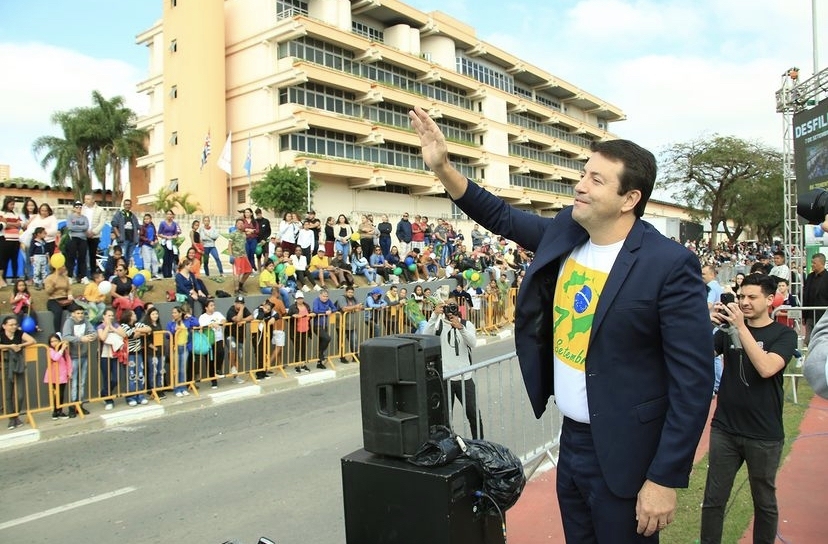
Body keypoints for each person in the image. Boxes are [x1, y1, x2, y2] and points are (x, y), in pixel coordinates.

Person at [409, 105, 713, 541]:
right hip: (571, 444)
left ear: (630, 199)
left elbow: (693, 382)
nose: (580, 185)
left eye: (596, 180)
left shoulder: (668, 264)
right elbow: (499, 215)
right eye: (584, 174)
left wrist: (664, 478)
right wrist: (443, 167)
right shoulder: (567, 232)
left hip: (627, 454)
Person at [700, 274, 797, 543]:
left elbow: (767, 368)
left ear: (769, 299)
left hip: (764, 433)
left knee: (764, 502)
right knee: (713, 499)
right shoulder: (727, 331)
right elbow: (698, 356)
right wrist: (704, 325)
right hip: (725, 428)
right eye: (741, 296)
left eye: (752, 297)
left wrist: (740, 328)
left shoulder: (784, 334)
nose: (744, 302)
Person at [424, 300, 482, 439]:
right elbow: (425, 337)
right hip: (445, 378)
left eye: (453, 306)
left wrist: (460, 328)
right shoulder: (438, 325)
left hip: (464, 377)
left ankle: (480, 443)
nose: (450, 309)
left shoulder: (467, 324)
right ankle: (447, 444)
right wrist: (434, 315)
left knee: (473, 414)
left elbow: (473, 343)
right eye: (447, 306)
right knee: (444, 418)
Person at [0, 316, 35, 428]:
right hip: (5, 364)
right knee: (8, 393)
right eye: (11, 325)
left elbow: (32, 340)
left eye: (15, 324)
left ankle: (16, 415)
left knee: (20, 394)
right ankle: (12, 419)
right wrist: (10, 346)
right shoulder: (1, 334)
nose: (14, 326)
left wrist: (20, 345)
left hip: (18, 363)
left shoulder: (19, 333)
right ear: (4, 326)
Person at [62, 304, 96, 416]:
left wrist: (92, 336)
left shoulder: (85, 321)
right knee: (74, 383)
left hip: (84, 355)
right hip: (73, 356)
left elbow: (93, 331)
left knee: (82, 382)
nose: (80, 315)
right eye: (78, 313)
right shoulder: (69, 322)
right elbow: (66, 336)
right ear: (73, 314)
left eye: (82, 313)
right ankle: (72, 406)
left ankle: (80, 405)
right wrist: (81, 338)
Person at [198, 299, 226, 389]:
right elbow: (202, 326)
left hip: (218, 338)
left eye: (213, 305)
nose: (213, 307)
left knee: (221, 352)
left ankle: (218, 369)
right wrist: (211, 325)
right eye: (211, 305)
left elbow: (224, 320)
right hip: (208, 340)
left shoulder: (217, 314)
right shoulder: (203, 317)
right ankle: (213, 380)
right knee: (210, 360)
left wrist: (220, 323)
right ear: (206, 307)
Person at [45, 334, 72, 420]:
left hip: (62, 374)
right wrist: (62, 349)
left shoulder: (65, 351)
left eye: (56, 341)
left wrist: (69, 372)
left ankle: (59, 411)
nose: (54, 343)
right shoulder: (50, 350)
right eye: (52, 341)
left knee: (61, 393)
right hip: (54, 375)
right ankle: (56, 411)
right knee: (56, 394)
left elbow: (68, 361)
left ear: (59, 341)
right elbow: (55, 358)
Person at [802, 252, 828, 342]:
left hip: (823, 316)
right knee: (808, 340)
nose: (812, 265)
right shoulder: (809, 277)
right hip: (809, 315)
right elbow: (805, 296)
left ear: (822, 263)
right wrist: (804, 315)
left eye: (814, 263)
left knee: (821, 340)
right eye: (812, 262)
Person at [45, 261, 75, 335]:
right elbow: (48, 292)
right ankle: (58, 333)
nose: (65, 268)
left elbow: (69, 289)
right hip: (53, 299)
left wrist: (70, 295)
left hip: (65, 299)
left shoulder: (65, 277)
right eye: (63, 266)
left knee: (76, 308)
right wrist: (53, 284)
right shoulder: (49, 278)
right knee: (58, 311)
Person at [311, 288, 338, 369]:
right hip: (317, 325)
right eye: (324, 296)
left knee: (322, 341)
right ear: (320, 295)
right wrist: (325, 312)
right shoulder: (316, 301)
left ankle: (319, 362)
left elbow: (334, 308)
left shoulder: (328, 301)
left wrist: (331, 311)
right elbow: (315, 311)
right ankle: (320, 354)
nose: (325, 298)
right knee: (327, 338)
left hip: (325, 325)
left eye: (326, 296)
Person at [287, 291, 312, 372]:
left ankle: (303, 364)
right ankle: (297, 365)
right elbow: (288, 317)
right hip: (296, 330)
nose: (300, 300)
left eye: (301, 298)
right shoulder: (292, 307)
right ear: (296, 299)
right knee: (297, 348)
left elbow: (309, 314)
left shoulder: (306, 306)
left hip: (306, 329)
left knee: (304, 347)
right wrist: (293, 316)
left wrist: (312, 315)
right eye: (298, 298)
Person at [82, 193, 106, 280]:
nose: (86, 201)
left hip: (94, 236)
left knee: (92, 255)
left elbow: (102, 223)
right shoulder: (81, 209)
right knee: (83, 255)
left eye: (88, 199)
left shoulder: (100, 210)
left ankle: (92, 274)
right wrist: (84, 231)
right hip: (83, 235)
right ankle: (82, 275)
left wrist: (93, 232)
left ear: (93, 200)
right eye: (85, 199)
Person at [110, 199, 140, 267]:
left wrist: (137, 237)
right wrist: (118, 235)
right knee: (122, 256)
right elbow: (114, 224)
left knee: (129, 257)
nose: (127, 206)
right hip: (123, 240)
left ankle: (126, 270)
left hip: (132, 240)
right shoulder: (119, 214)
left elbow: (138, 226)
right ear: (123, 205)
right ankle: (120, 269)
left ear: (131, 205)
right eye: (126, 204)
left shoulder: (132, 215)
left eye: (129, 205)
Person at [227, 218, 253, 295]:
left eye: (242, 223)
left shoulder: (244, 234)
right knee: (237, 273)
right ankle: (236, 290)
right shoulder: (233, 234)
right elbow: (229, 245)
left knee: (249, 271)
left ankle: (241, 285)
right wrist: (231, 255)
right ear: (236, 225)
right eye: (239, 223)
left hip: (244, 256)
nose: (240, 225)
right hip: (236, 256)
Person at [65, 201, 90, 284]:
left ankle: (83, 276)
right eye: (77, 207)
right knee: (71, 258)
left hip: (83, 239)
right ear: (74, 208)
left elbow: (86, 227)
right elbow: (69, 227)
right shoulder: (70, 217)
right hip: (73, 238)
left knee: (82, 258)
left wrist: (76, 227)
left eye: (80, 207)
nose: (78, 208)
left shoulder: (84, 218)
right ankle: (70, 276)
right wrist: (80, 228)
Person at [0, 197, 21, 288]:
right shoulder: (1, 213)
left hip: (16, 240)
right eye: (11, 204)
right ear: (6, 204)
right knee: (4, 260)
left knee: (14, 259)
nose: (12, 206)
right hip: (6, 239)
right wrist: (13, 224)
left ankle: (15, 277)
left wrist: (9, 223)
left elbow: (19, 224)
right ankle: (3, 278)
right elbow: (4, 225)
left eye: (13, 204)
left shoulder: (16, 214)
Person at [157, 210, 182, 278]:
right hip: (165, 242)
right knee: (165, 258)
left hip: (172, 243)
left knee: (171, 259)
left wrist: (174, 236)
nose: (169, 216)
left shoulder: (175, 224)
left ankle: (169, 274)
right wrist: (166, 237)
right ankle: (165, 274)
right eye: (168, 214)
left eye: (170, 214)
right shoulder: (162, 223)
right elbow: (159, 233)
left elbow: (177, 233)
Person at [139, 213, 160, 279]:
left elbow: (154, 235)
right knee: (147, 261)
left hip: (152, 246)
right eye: (145, 219)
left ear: (150, 219)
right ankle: (147, 274)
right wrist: (149, 241)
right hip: (145, 245)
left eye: (147, 219)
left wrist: (156, 239)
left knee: (155, 260)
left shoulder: (152, 226)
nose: (146, 220)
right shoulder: (143, 227)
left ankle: (155, 274)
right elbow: (141, 236)